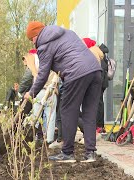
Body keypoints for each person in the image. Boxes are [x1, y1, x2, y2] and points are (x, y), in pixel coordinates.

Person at [24, 21, 102, 163]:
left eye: (31, 39)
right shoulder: (67, 33)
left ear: (36, 35)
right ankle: (90, 153)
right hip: (95, 70)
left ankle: (67, 153)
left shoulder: (44, 46)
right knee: (89, 113)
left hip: (76, 73)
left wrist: (31, 93)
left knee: (66, 111)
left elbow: (42, 76)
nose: (32, 42)